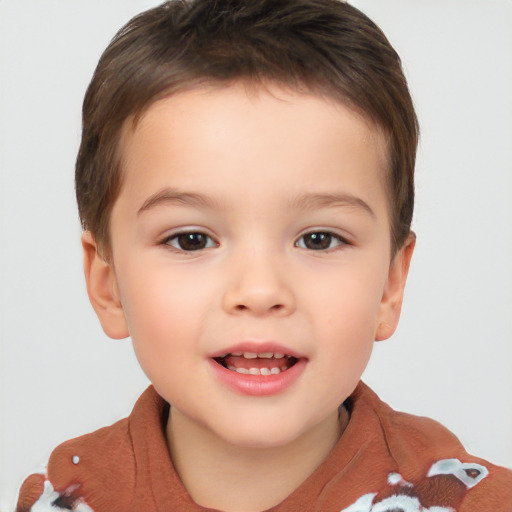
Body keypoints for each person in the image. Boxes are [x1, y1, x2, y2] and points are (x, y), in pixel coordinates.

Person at [14, 0, 512, 511]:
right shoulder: (65, 499)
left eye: (319, 239)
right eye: (191, 239)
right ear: (107, 283)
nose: (259, 291)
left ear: (390, 283)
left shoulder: (469, 501)